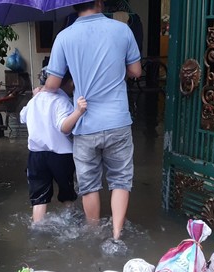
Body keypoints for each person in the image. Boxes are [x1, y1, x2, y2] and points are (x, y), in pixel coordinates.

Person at [43, 0, 142, 240]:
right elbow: (136, 71)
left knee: (89, 185)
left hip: (85, 125)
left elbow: (53, 85)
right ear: (99, 2)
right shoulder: (122, 30)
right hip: (118, 120)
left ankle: (94, 234)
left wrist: (43, 88)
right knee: (120, 180)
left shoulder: (64, 37)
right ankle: (117, 235)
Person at [20, 72, 87, 223]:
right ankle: (70, 223)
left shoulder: (34, 100)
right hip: (61, 155)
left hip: (36, 155)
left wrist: (34, 97)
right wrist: (78, 111)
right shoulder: (62, 101)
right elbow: (64, 127)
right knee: (67, 193)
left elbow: (22, 117)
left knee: (39, 198)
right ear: (69, 83)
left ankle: (36, 229)